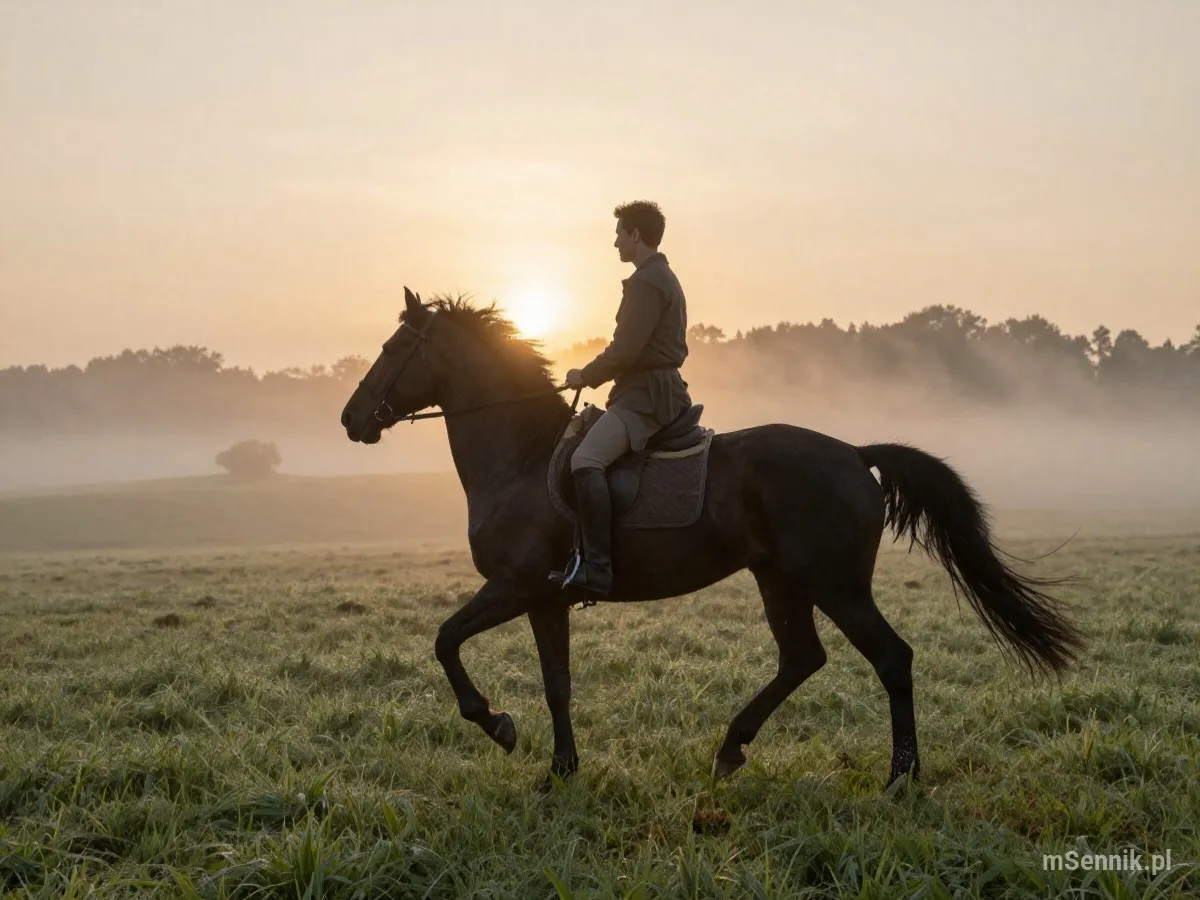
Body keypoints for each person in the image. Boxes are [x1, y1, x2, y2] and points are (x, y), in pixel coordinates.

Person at [549, 200, 692, 594]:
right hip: (645, 391)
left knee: (585, 459)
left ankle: (597, 567)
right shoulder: (660, 276)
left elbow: (624, 350)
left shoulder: (648, 281)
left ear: (635, 235)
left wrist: (584, 375)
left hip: (645, 398)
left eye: (618, 234)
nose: (614, 242)